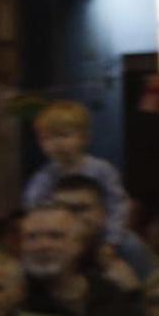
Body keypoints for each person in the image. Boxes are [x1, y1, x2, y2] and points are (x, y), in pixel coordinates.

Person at [20, 203, 141, 316]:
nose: (43, 245)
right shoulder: (17, 301)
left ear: (78, 245)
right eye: (32, 237)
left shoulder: (109, 294)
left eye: (55, 236)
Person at [21, 100, 130, 241]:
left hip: (101, 234)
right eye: (47, 138)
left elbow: (118, 205)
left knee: (131, 245)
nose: (56, 143)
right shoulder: (44, 177)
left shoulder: (102, 170)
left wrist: (112, 238)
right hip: (62, 238)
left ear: (84, 138)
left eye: (64, 135)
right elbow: (32, 206)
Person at [51, 173, 157, 288]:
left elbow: (151, 297)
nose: (70, 216)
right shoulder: (44, 244)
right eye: (61, 209)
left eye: (80, 209)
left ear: (103, 212)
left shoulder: (126, 247)